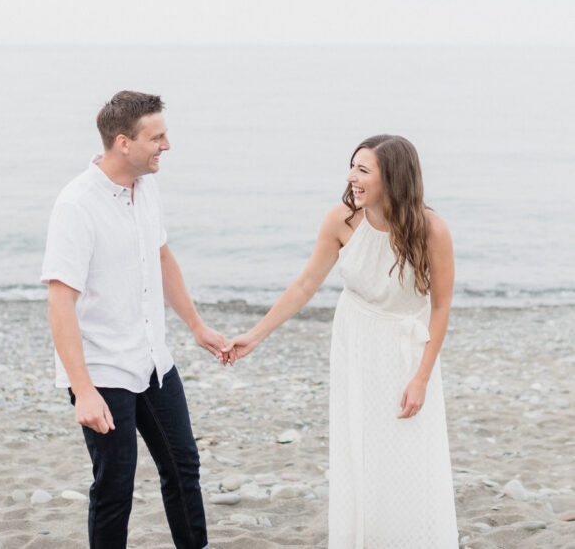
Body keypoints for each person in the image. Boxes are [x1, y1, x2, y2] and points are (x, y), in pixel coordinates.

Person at [225, 135, 459, 548]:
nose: (352, 177)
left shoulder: (432, 230)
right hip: (355, 343)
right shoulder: (342, 220)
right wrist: (255, 336)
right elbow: (304, 285)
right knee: (359, 450)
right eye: (353, 166)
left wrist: (421, 377)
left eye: (363, 170)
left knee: (408, 453)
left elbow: (440, 308)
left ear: (394, 179)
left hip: (406, 353)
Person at [41, 90, 228, 549]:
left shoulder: (146, 187)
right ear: (123, 142)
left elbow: (162, 260)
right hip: (103, 371)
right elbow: (59, 301)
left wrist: (196, 326)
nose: (167, 145)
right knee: (115, 486)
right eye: (157, 136)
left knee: (184, 467)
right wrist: (83, 390)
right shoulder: (76, 204)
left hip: (153, 361)